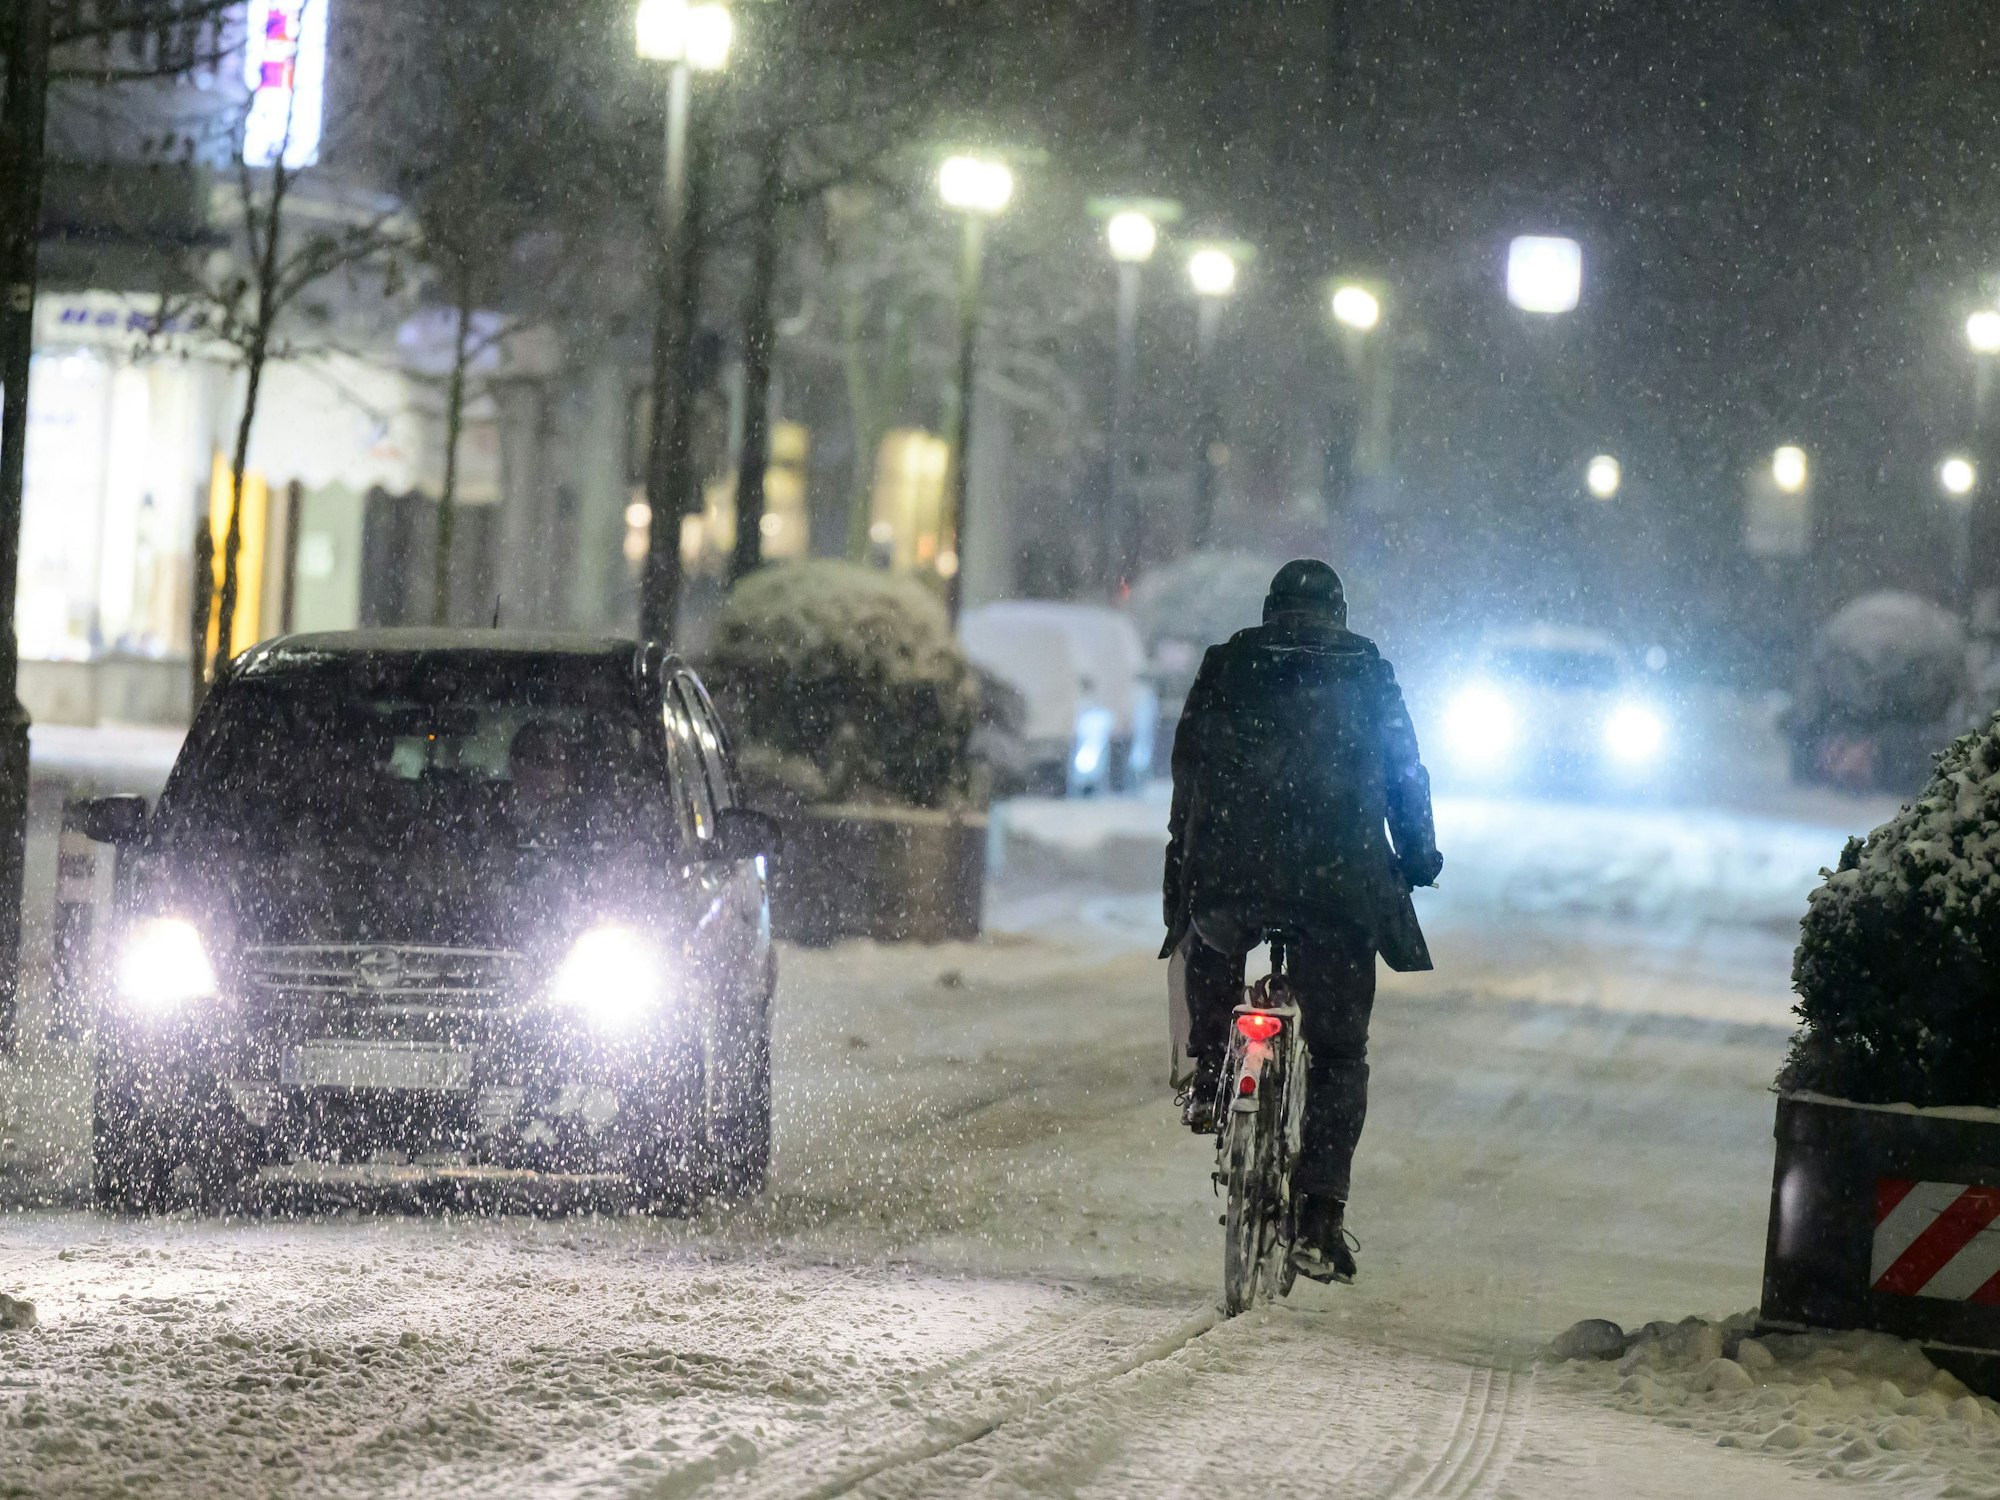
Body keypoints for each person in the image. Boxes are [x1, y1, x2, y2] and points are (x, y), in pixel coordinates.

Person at [1162, 558, 1442, 1284]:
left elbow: (1189, 768)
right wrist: (1417, 856)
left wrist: (1187, 856)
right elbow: (1405, 774)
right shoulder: (1369, 673)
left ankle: (1211, 1074)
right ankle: (1319, 1216)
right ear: (1339, 616)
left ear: (1269, 610)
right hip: (1337, 883)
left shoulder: (1228, 664)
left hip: (1235, 870)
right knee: (1340, 1051)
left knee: (1211, 941)